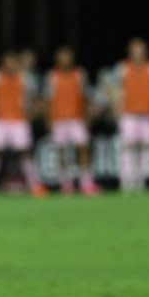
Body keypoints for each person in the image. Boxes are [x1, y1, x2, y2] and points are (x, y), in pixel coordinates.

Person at [0, 51, 47, 198]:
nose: (11, 65)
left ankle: (36, 186)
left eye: (13, 62)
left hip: (19, 121)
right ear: (3, 64)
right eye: (8, 62)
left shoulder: (26, 78)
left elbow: (37, 97)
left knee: (25, 152)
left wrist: (31, 112)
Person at [111, 38, 149, 193]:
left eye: (141, 51)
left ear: (145, 52)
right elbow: (111, 87)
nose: (138, 54)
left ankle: (141, 181)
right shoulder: (121, 68)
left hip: (147, 114)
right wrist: (116, 105)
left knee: (145, 147)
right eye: (135, 51)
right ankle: (126, 181)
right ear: (130, 52)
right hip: (128, 114)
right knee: (128, 148)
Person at [43, 46, 99, 195]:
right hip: (59, 119)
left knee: (83, 148)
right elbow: (48, 100)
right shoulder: (51, 76)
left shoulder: (80, 74)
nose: (65, 61)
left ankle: (86, 183)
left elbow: (85, 98)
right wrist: (49, 119)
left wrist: (86, 117)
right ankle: (65, 184)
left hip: (76, 118)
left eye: (67, 57)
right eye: (62, 58)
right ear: (57, 60)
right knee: (62, 152)